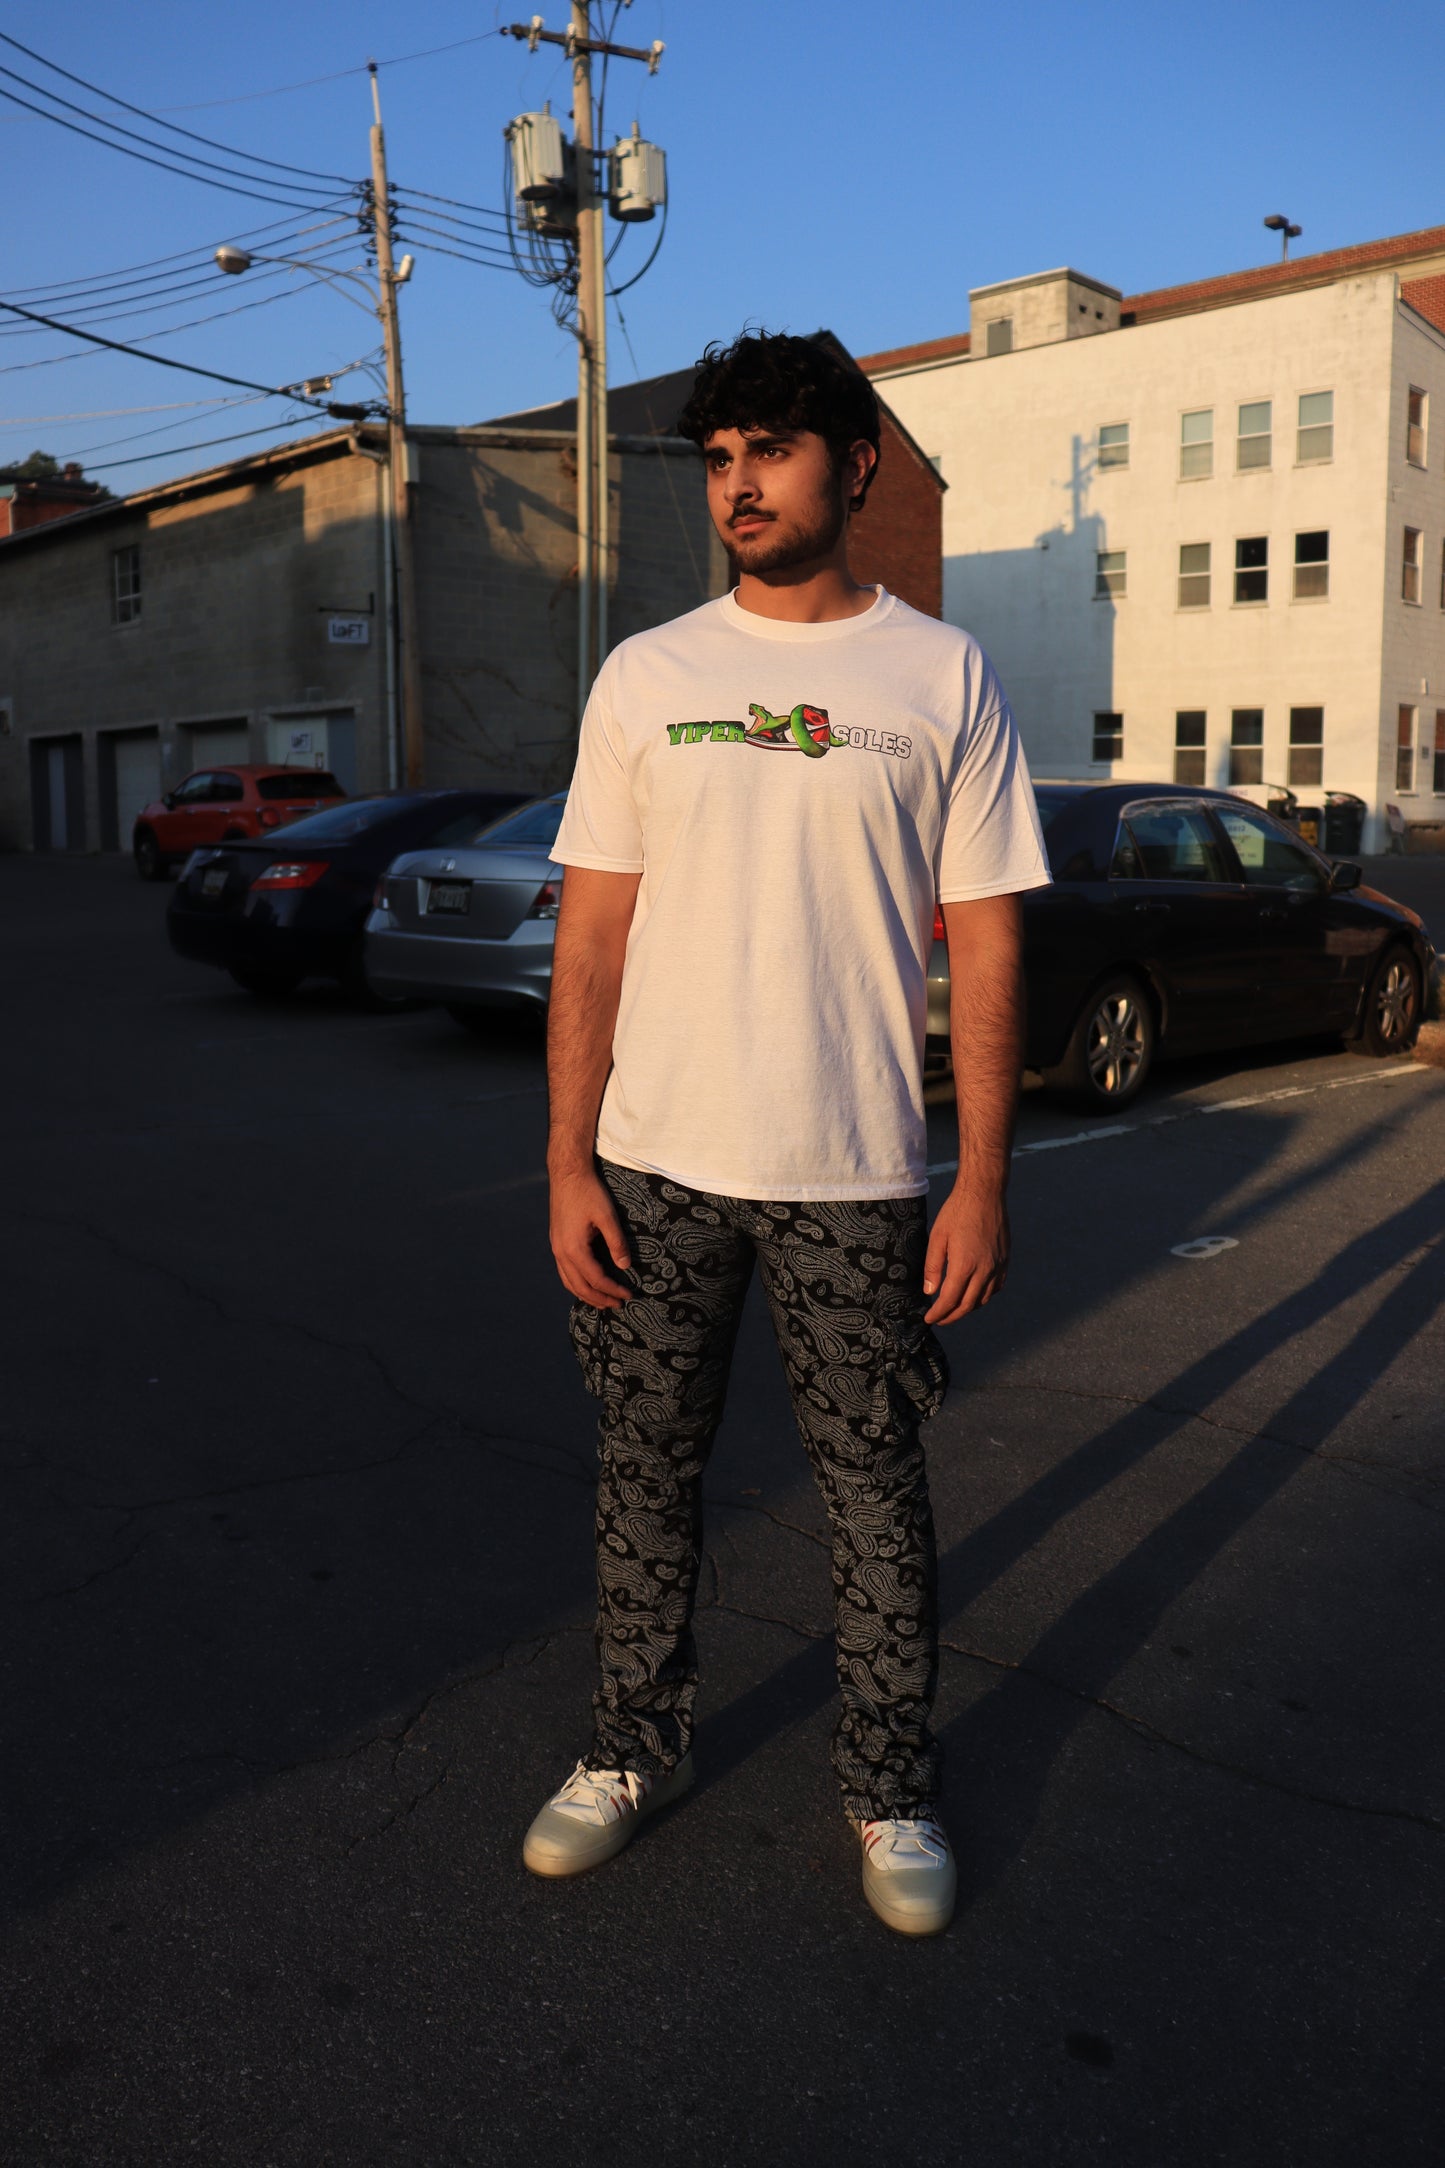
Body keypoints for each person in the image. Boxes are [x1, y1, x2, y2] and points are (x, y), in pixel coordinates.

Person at [522, 332, 1049, 1935]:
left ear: (855, 465)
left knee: (873, 1489)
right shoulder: (647, 674)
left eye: (771, 450)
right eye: (717, 457)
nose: (738, 484)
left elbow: (988, 943)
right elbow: (592, 937)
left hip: (856, 1175)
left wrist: (979, 1177)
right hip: (655, 1166)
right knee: (642, 1476)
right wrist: (564, 1160)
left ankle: (889, 1783)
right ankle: (630, 1746)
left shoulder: (940, 675)